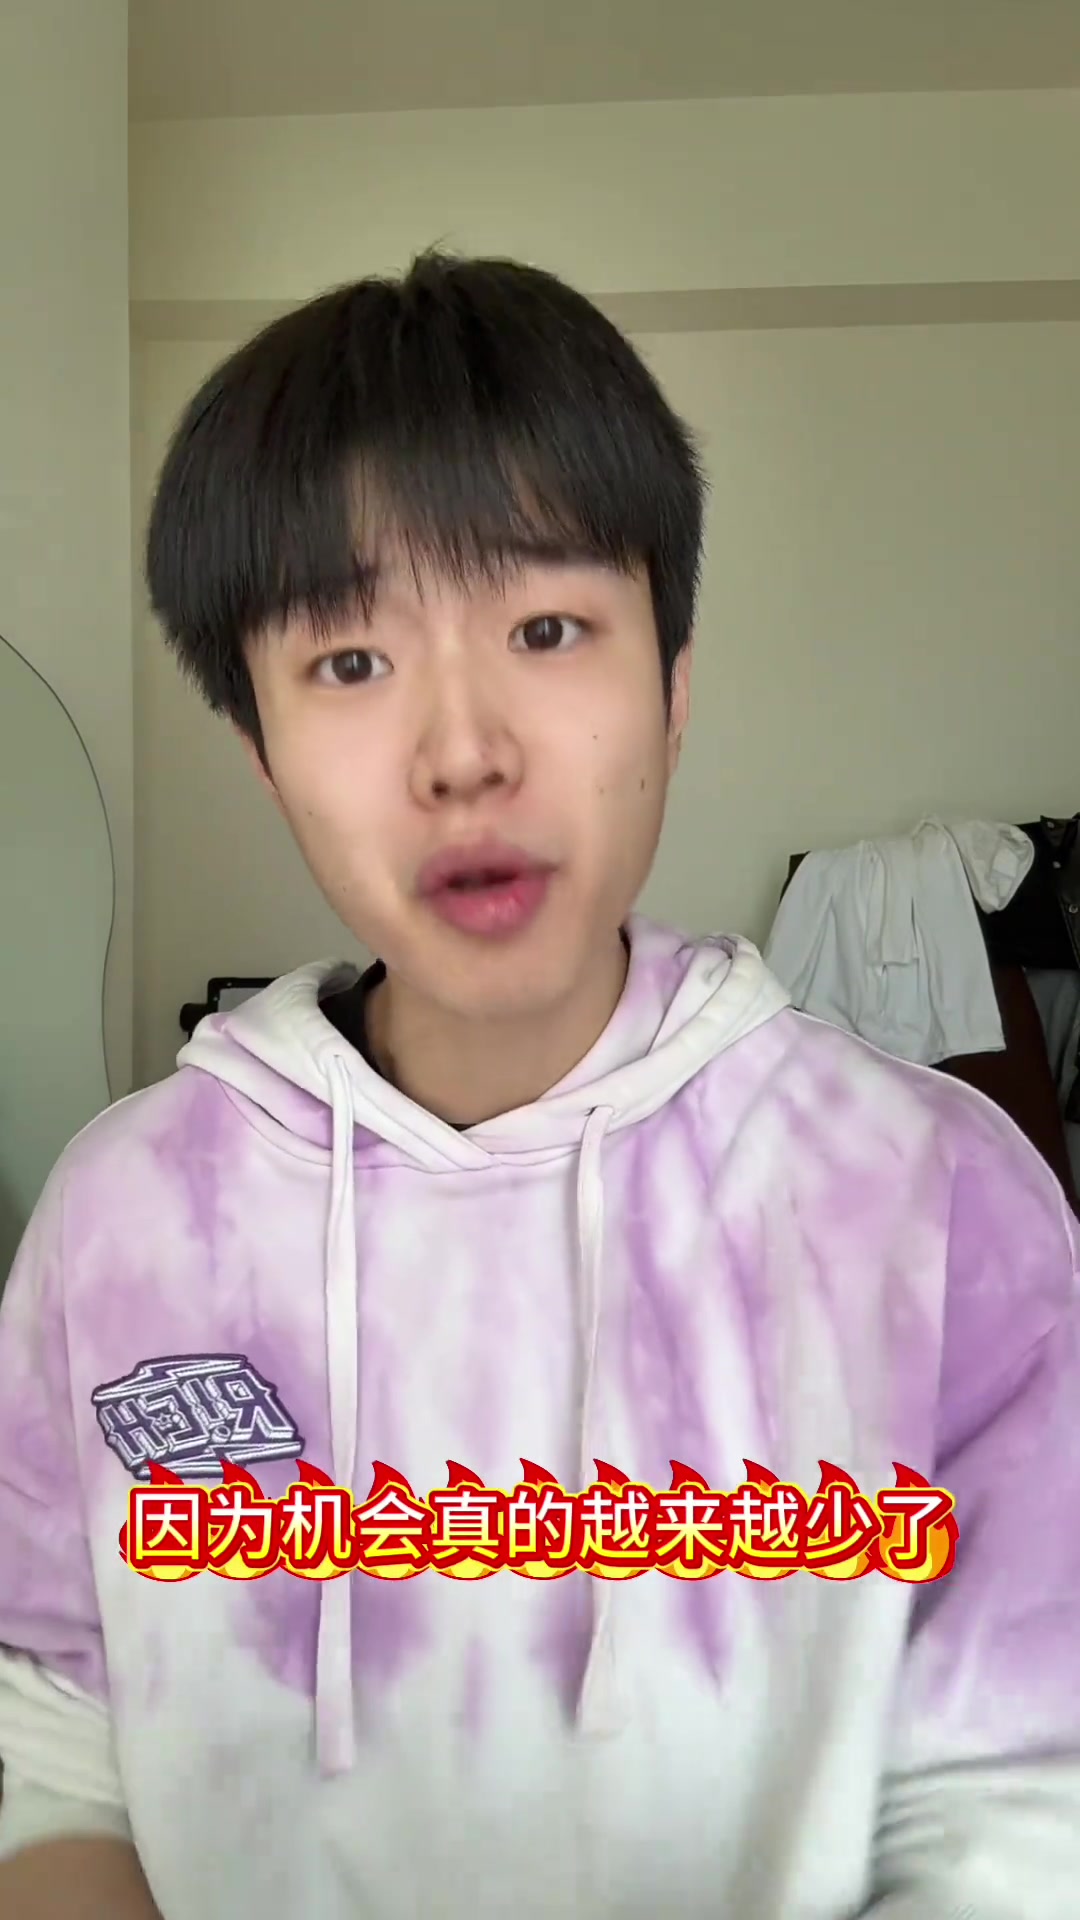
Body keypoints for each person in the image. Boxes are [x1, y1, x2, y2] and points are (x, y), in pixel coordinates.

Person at [0, 250, 1078, 1920]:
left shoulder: (935, 1201)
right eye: (350, 663)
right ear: (262, 749)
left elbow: (1021, 1810)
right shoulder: (125, 1220)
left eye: (549, 628)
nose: (464, 753)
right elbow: (57, 1741)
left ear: (674, 682)